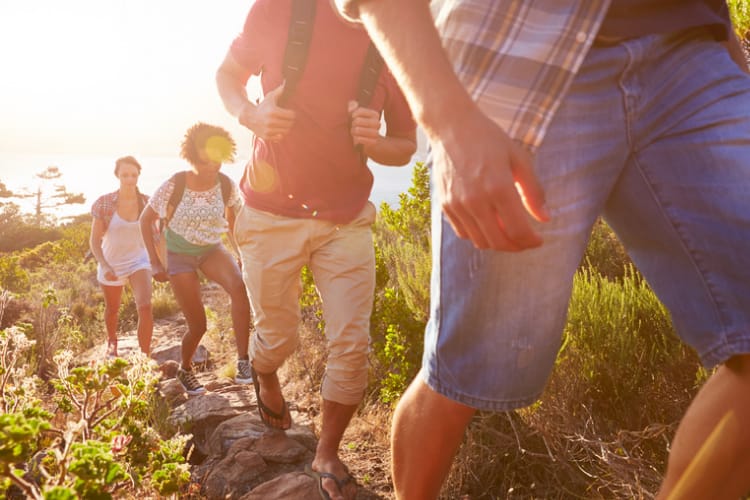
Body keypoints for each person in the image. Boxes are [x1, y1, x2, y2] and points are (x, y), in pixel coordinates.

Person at [334, 0, 750, 499]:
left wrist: (731, 63)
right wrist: (451, 124)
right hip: (521, 61)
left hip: (690, 53)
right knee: (461, 367)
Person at [215, 1, 417, 497]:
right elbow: (227, 75)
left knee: (352, 346)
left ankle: (326, 453)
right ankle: (265, 374)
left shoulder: (395, 29)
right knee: (277, 336)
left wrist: (375, 142)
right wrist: (250, 114)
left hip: (345, 220)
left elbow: (406, 143)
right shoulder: (277, 8)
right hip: (268, 215)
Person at [139, 123, 253, 395]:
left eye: (219, 157)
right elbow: (146, 220)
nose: (214, 164)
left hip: (212, 250)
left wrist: (241, 254)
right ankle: (185, 368)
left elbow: (237, 219)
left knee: (239, 289)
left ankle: (243, 361)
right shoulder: (175, 184)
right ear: (194, 155)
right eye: (208, 158)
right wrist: (155, 262)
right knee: (198, 324)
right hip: (179, 255)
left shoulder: (226, 185)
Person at [89, 156, 153, 358]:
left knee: (145, 305)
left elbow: (158, 236)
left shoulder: (147, 203)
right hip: (111, 263)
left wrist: (161, 264)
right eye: (125, 175)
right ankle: (112, 341)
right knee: (113, 309)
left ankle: (144, 356)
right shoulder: (105, 203)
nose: (129, 179)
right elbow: (94, 241)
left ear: (138, 176)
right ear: (117, 175)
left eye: (133, 175)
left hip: (139, 261)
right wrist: (105, 266)